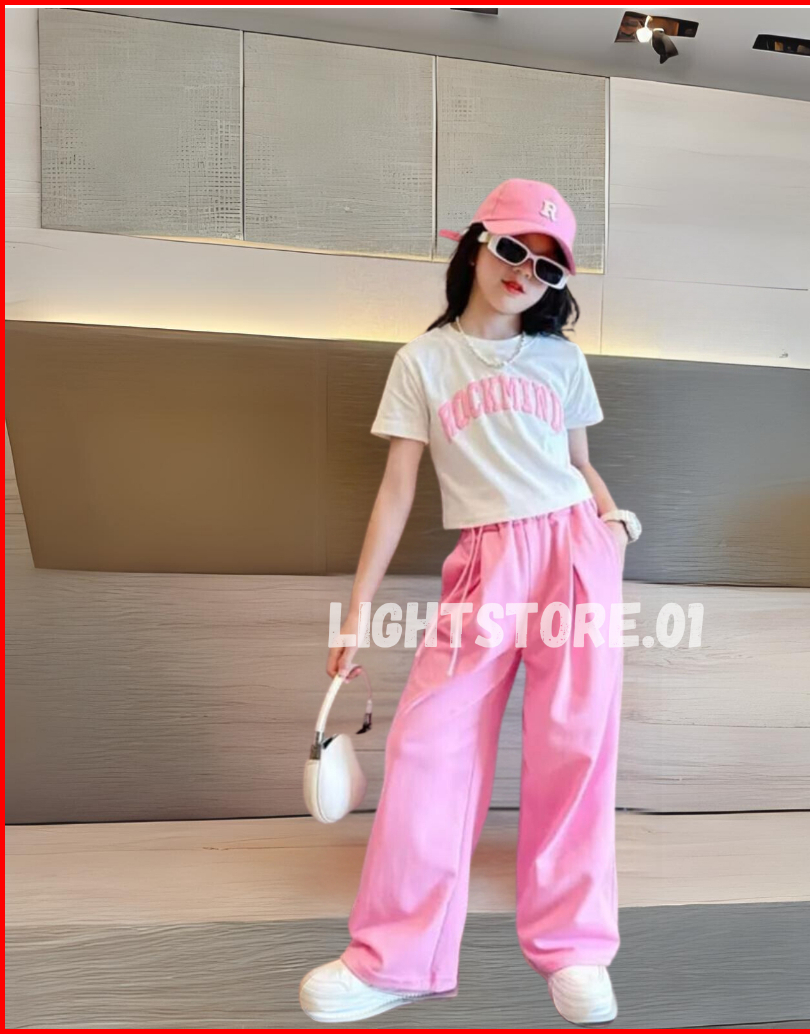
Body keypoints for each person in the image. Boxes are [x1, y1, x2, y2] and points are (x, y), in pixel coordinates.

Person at [299, 179, 642, 1026]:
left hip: (574, 550)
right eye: (513, 250)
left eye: (547, 267)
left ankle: (574, 947)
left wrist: (612, 527)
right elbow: (396, 492)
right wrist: (357, 611)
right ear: (478, 246)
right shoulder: (422, 361)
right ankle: (395, 958)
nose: (524, 273)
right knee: (428, 745)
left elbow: (579, 462)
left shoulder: (561, 360)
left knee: (576, 747)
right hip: (485, 561)